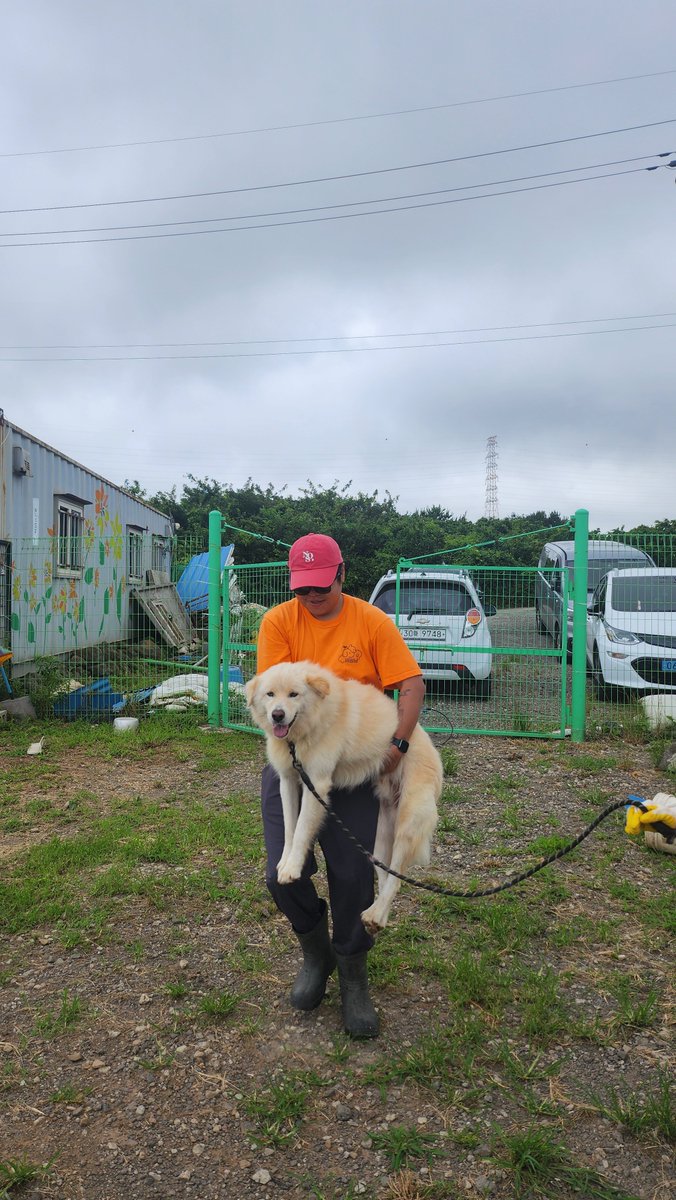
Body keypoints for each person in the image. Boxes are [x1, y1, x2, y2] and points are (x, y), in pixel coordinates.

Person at [256, 532, 425, 1038]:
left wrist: (398, 746)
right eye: (302, 589)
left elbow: (411, 684)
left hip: (355, 759)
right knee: (281, 873)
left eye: (320, 587)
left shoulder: (370, 621)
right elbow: (275, 698)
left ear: (342, 575)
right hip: (299, 757)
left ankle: (353, 971)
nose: (311, 597)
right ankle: (317, 953)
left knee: (352, 874)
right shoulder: (278, 622)